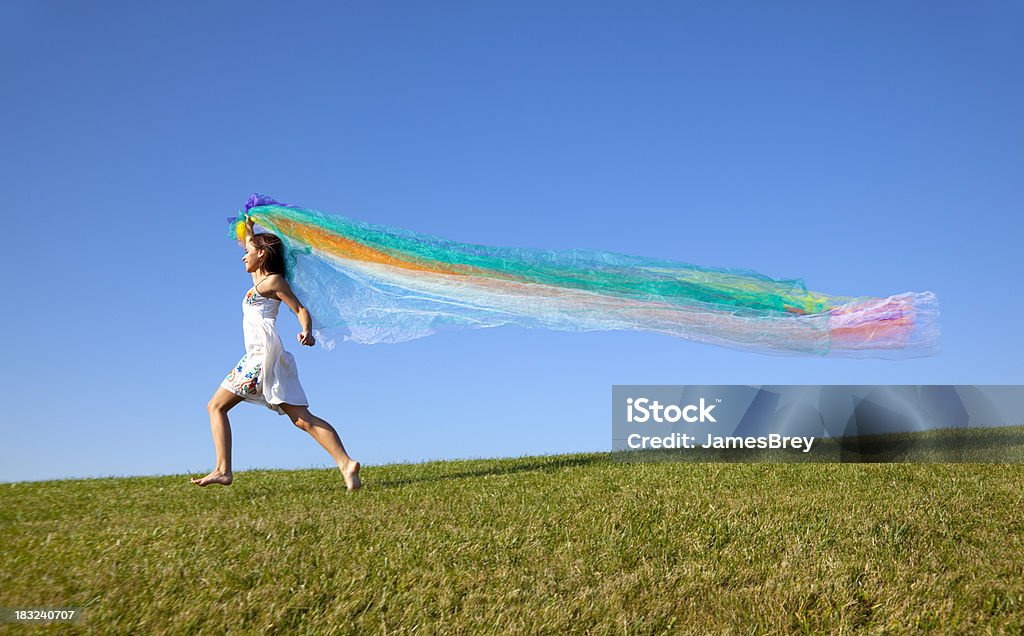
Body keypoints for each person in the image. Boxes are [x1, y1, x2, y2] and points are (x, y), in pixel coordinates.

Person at [191, 217, 361, 490]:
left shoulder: (273, 282)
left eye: (248, 252)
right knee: (302, 419)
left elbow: (300, 309)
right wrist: (249, 224)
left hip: (260, 358)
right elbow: (249, 242)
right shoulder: (257, 279)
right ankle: (346, 463)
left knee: (215, 406)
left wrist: (307, 331)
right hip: (259, 357)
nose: (243, 256)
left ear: (261, 254)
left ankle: (223, 469)